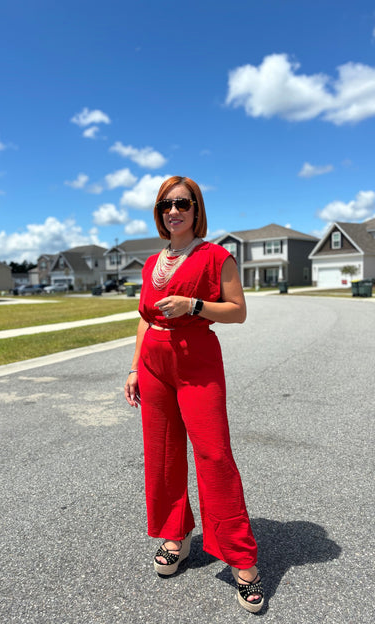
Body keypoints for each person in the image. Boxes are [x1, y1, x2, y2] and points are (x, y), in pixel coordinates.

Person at [124, 176, 264, 613]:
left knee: (214, 454)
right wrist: (133, 367)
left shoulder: (216, 257)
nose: (173, 210)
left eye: (182, 202)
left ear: (196, 208)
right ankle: (177, 533)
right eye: (166, 203)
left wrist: (194, 305)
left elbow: (238, 311)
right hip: (153, 363)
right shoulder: (152, 263)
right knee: (162, 452)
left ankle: (243, 562)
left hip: (197, 358)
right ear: (159, 211)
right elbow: (145, 317)